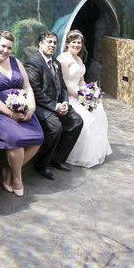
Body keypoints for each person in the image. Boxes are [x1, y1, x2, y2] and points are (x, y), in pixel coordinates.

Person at [0, 30, 43, 196]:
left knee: (38, 138)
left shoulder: (16, 62)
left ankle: (9, 170)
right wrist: (9, 113)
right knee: (15, 139)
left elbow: (27, 86)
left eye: (9, 48)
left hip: (21, 108)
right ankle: (17, 178)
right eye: (2, 46)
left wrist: (31, 106)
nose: (5, 51)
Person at [25, 31, 83, 180]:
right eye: (48, 42)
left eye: (54, 43)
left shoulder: (55, 63)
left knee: (76, 121)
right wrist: (55, 106)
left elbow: (63, 87)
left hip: (57, 103)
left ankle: (57, 159)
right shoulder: (33, 62)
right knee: (55, 128)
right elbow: (35, 91)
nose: (52, 45)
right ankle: (41, 165)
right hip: (40, 105)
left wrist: (64, 102)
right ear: (40, 43)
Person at [58, 29, 112, 168]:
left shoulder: (79, 59)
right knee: (86, 118)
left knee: (99, 113)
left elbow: (81, 80)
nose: (77, 45)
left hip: (80, 93)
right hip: (69, 96)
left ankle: (94, 152)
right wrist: (80, 97)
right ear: (68, 43)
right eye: (74, 42)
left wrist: (90, 92)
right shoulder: (63, 59)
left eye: (79, 43)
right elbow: (63, 83)